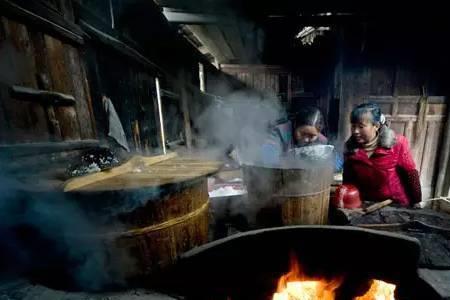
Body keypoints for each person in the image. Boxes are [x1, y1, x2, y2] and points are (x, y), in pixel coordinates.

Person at [343, 102, 422, 206]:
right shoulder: (350, 150)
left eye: (361, 127)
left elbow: (411, 174)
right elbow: (348, 179)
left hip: (396, 204)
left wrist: (416, 201)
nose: (355, 131)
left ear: (376, 126)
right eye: (353, 126)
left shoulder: (397, 144)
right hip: (366, 204)